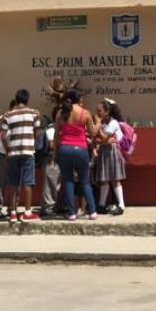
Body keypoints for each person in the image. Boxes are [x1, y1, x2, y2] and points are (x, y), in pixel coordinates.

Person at [53, 88, 99, 221]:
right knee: (85, 181)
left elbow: (56, 135)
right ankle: (92, 212)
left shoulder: (61, 113)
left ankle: (71, 213)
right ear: (79, 99)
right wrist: (97, 123)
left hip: (64, 148)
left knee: (67, 180)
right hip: (81, 149)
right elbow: (93, 133)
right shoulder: (85, 113)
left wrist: (54, 153)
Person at [0, 89, 42, 222]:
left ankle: (13, 213)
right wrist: (32, 142)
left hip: (13, 152)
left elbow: (3, 136)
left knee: (13, 183)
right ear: (27, 99)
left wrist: (8, 150)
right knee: (28, 182)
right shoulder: (33, 113)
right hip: (28, 151)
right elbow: (37, 132)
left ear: (16, 99)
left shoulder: (8, 115)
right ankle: (27, 213)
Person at [94, 98, 128, 216]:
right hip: (104, 151)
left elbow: (103, 138)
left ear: (106, 111)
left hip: (112, 152)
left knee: (114, 180)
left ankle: (121, 205)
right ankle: (102, 205)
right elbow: (100, 139)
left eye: (99, 111)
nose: (97, 114)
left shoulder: (113, 123)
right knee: (104, 180)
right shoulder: (104, 123)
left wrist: (97, 127)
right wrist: (101, 136)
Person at [0, 99, 16, 220]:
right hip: (2, 155)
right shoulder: (6, 119)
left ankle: (12, 208)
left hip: (14, 155)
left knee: (14, 183)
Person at [37, 122, 61, 218]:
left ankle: (52, 207)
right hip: (51, 158)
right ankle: (48, 208)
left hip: (55, 159)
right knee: (50, 184)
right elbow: (51, 145)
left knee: (55, 184)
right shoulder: (52, 129)